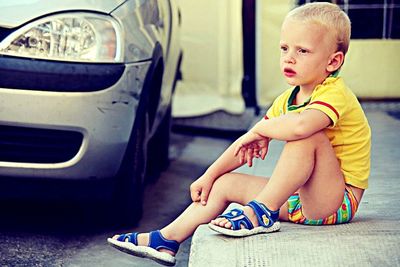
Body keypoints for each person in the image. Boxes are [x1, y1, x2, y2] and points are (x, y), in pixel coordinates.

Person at [107, 2, 371, 266]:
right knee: (225, 183)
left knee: (309, 136)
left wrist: (260, 128)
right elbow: (246, 144)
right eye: (284, 48)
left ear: (333, 61)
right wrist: (209, 175)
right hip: (299, 200)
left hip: (336, 202)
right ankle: (166, 239)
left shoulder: (334, 93)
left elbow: (301, 127)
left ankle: (260, 212)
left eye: (302, 50)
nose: (289, 57)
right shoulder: (287, 99)